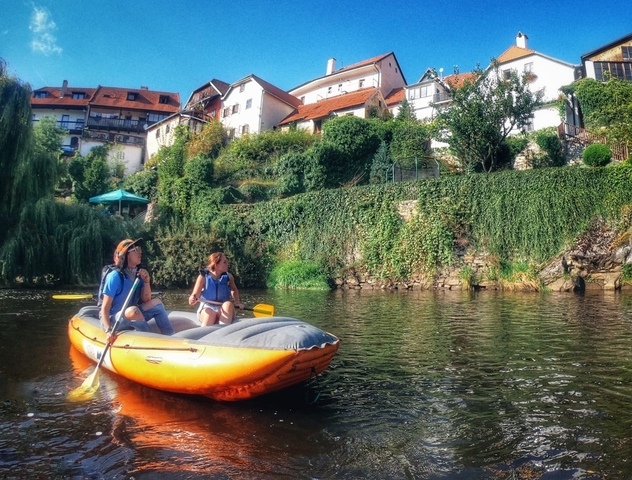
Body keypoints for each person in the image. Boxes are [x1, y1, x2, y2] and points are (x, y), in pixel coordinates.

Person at [100, 238, 174, 341]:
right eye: (135, 250)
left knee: (157, 303)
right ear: (126, 255)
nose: (140, 252)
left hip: (132, 314)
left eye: (139, 249)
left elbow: (147, 300)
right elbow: (105, 308)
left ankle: (171, 337)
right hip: (114, 320)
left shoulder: (138, 274)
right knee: (133, 310)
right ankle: (151, 341)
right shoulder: (115, 276)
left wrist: (147, 281)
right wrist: (108, 330)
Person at [188, 252, 244, 325]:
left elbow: (234, 289)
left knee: (228, 304)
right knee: (210, 314)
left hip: (222, 308)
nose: (227, 264)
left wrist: (237, 302)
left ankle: (223, 330)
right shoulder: (203, 277)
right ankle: (206, 333)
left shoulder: (228, 277)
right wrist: (192, 299)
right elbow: (194, 296)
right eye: (224, 262)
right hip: (207, 308)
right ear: (216, 264)